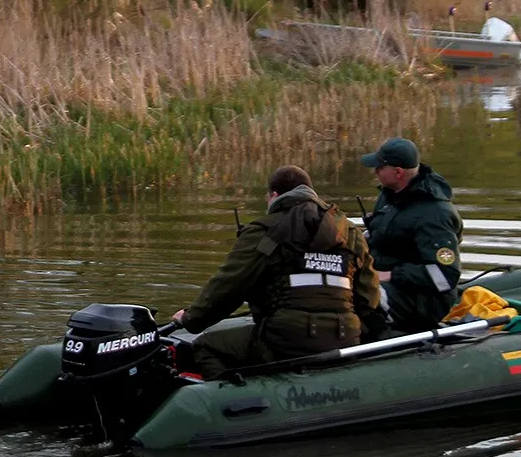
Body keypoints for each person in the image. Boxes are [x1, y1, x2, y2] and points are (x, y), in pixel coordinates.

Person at [170, 165, 382, 377]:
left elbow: (227, 287)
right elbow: (369, 298)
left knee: (206, 346)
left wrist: (191, 319)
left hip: (286, 339)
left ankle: (235, 400)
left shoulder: (264, 231)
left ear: (273, 195)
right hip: (345, 336)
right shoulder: (350, 232)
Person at [360, 137, 464, 332]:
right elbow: (382, 237)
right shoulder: (389, 197)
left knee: (360, 299)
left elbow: (444, 275)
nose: (375, 172)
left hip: (423, 300)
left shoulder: (434, 215)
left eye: (380, 168)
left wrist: (389, 275)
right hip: (388, 283)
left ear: (398, 172)